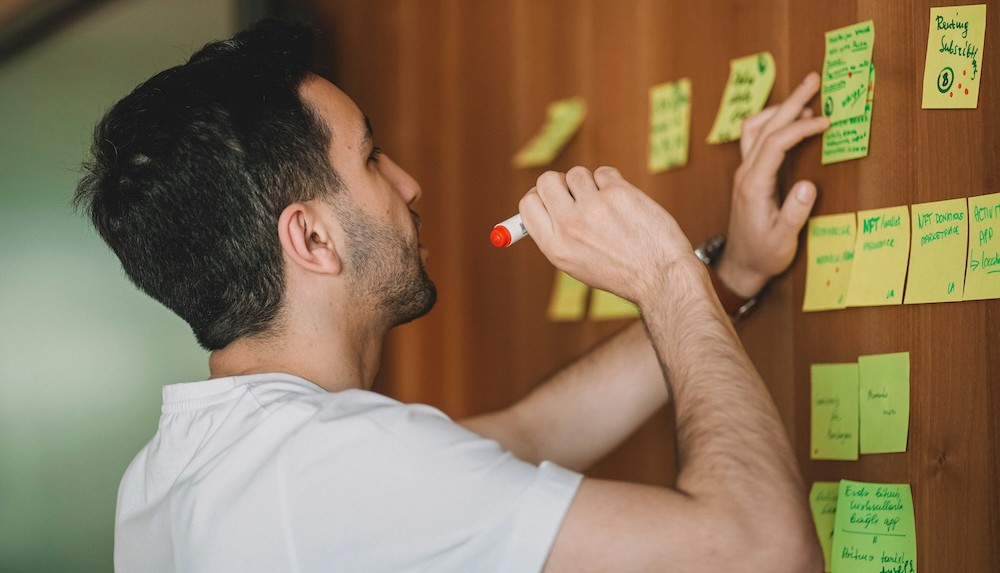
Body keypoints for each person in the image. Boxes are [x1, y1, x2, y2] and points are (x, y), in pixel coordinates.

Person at [75, 19, 829, 572]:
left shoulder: (175, 471)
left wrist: (729, 276)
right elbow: (764, 551)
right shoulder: (333, 467)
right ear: (311, 238)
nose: (409, 185)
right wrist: (663, 274)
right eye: (372, 158)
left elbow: (532, 432)